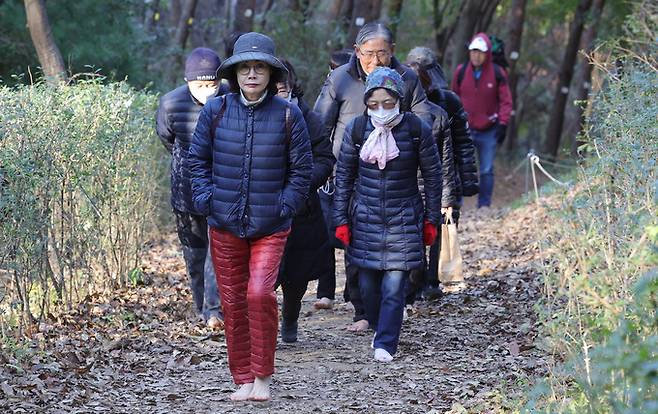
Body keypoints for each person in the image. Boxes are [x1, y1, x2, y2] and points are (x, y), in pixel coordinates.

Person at [188, 32, 313, 402]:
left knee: (259, 294)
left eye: (260, 68)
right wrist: (207, 200)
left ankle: (263, 376)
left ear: (272, 75)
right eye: (246, 67)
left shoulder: (289, 114)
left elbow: (302, 170)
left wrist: (285, 205)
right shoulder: (217, 109)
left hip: (270, 225)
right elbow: (197, 160)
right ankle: (243, 377)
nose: (253, 74)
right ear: (236, 73)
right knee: (233, 302)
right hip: (224, 223)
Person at [313, 22, 434, 331]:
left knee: (398, 250)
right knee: (357, 246)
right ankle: (363, 311)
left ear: (392, 52)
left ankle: (393, 307)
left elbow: (423, 121)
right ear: (357, 52)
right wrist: (323, 167)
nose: (376, 60)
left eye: (383, 53)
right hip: (350, 174)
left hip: (398, 175)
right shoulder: (340, 79)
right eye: (369, 54)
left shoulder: (407, 79)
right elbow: (319, 127)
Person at [333, 67, 442, 362]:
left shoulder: (416, 130)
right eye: (374, 105)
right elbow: (343, 176)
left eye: (388, 103)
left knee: (395, 286)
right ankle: (380, 325)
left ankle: (386, 342)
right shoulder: (356, 129)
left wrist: (431, 220)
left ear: (399, 101)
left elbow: (433, 176)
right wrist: (340, 220)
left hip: (403, 218)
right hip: (365, 218)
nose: (381, 110)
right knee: (368, 287)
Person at [155, 47, 227, 329]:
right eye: (200, 85)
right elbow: (168, 139)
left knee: (218, 253)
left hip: (223, 188)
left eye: (212, 85)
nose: (207, 91)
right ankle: (202, 306)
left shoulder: (232, 99)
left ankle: (214, 310)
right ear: (187, 82)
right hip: (186, 191)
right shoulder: (171, 104)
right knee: (195, 255)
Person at [407, 46, 480, 295]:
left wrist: (468, 180)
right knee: (413, 231)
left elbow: (463, 142)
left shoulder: (448, 102)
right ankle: (414, 282)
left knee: (443, 226)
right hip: (411, 178)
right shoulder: (400, 101)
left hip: (445, 175)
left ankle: (433, 280)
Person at [275, 59, 335, 343]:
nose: (278, 94)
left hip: (302, 209)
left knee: (296, 277)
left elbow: (324, 158)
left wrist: (303, 182)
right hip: (263, 209)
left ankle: (290, 317)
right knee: (262, 277)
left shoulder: (307, 118)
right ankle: (260, 328)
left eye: (282, 89)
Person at [451, 33, 512, 208]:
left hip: (489, 130)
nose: (476, 55)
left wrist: (503, 123)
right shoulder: (461, 71)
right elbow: (453, 96)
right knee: (458, 166)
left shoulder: (498, 73)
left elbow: (506, 101)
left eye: (480, 52)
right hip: (465, 129)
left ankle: (484, 205)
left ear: (487, 54)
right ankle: (457, 203)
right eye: (473, 51)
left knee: (486, 170)